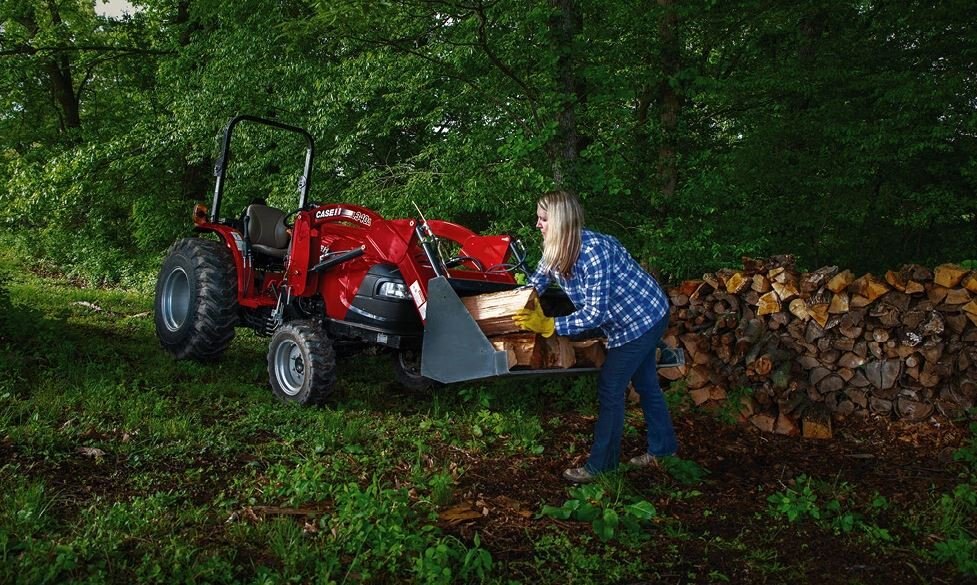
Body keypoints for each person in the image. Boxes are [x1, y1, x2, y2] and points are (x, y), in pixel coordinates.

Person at [513, 190, 678, 483]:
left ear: (561, 221)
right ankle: (664, 450)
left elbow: (594, 316)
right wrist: (510, 305)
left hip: (643, 318)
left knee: (611, 386)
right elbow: (536, 282)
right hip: (628, 320)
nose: (538, 224)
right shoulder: (554, 250)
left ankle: (602, 466)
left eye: (543, 219)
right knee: (645, 382)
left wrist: (550, 326)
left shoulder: (593, 253)